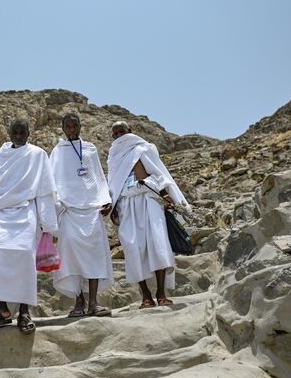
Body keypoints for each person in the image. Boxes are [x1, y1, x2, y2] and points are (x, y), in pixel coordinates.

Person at [0, 118, 58, 334]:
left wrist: (48, 224)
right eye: (15, 132)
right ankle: (0, 309)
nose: (18, 135)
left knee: (24, 255)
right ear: (9, 133)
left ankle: (24, 311)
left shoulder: (37, 154)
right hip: (0, 213)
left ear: (29, 133)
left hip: (26, 212)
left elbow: (45, 189)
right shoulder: (1, 155)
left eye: (22, 132)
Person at [106, 121, 191, 309]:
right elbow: (113, 185)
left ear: (130, 131)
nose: (120, 135)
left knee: (157, 243)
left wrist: (168, 197)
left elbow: (160, 174)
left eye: (123, 131)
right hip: (127, 205)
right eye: (116, 133)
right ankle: (145, 296)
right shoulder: (113, 156)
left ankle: (161, 293)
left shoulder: (145, 149)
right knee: (133, 248)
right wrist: (114, 207)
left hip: (149, 201)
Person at [50, 113, 114, 317]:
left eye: (74, 126)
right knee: (72, 257)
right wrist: (57, 204)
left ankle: (93, 303)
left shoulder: (90, 149)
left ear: (80, 127)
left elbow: (97, 175)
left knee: (94, 255)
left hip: (92, 209)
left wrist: (105, 199)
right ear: (62, 129)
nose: (71, 130)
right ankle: (79, 302)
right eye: (67, 127)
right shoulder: (58, 151)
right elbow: (52, 179)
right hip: (69, 210)